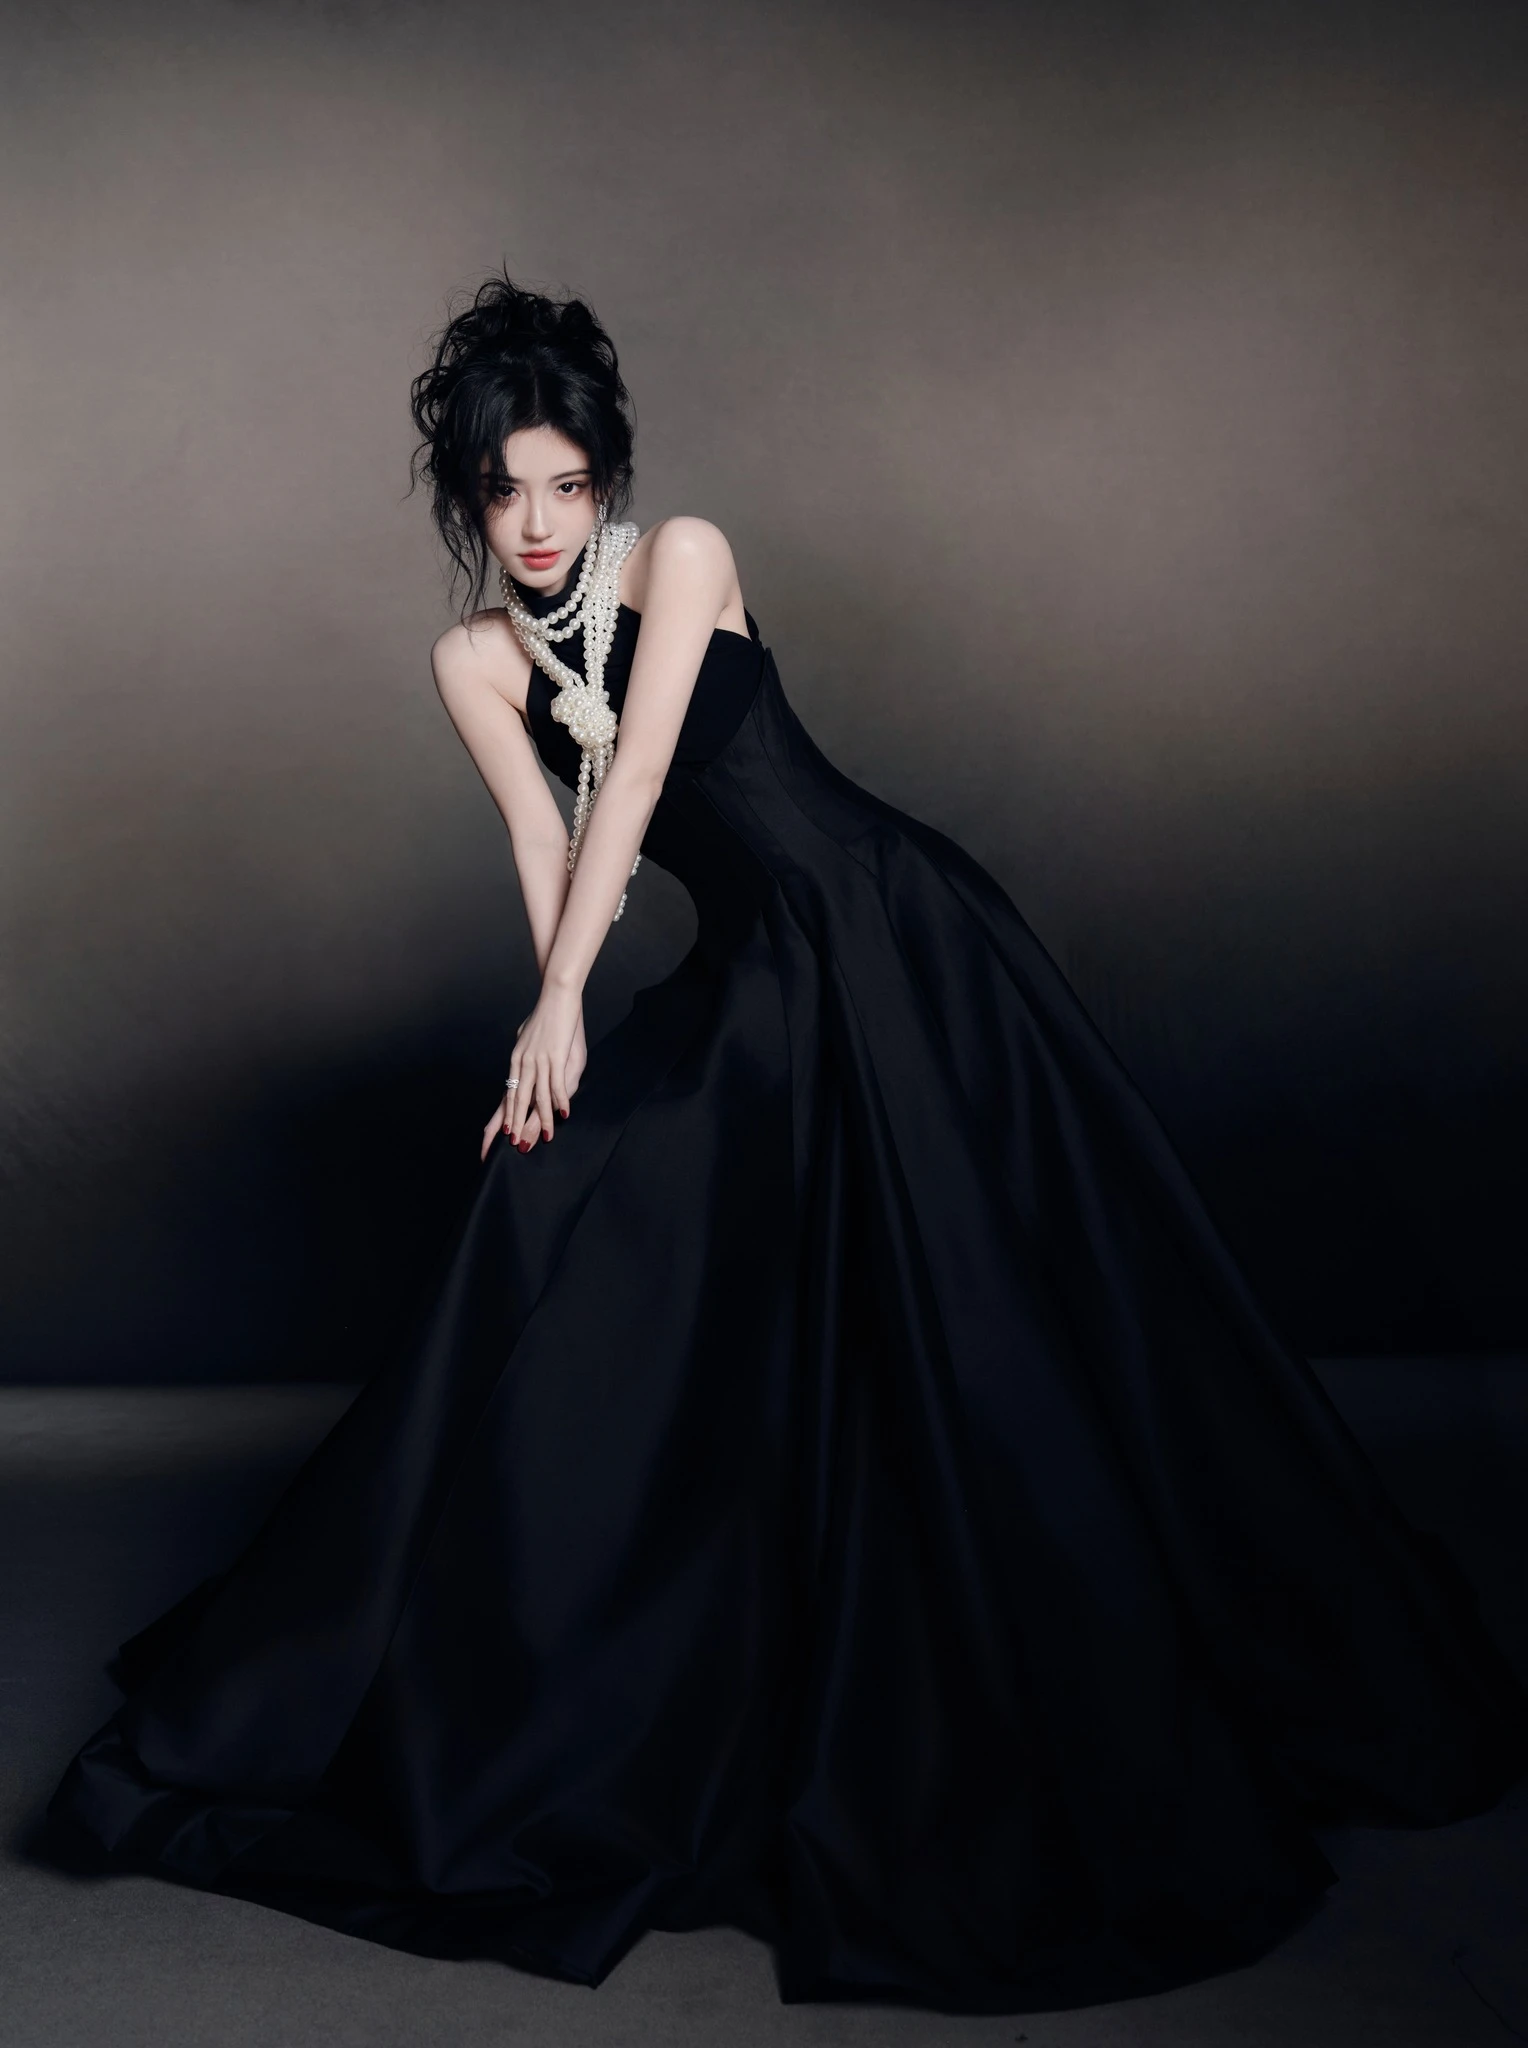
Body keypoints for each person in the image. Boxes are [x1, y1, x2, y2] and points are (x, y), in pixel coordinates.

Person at [46, 274, 1528, 2014]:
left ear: (608, 480)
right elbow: (551, 844)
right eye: (504, 492)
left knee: (981, 1306)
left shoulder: (684, 559)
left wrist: (567, 999)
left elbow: (640, 770)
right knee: (560, 1200)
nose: (538, 523)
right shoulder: (471, 664)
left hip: (893, 938)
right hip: (752, 976)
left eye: (566, 485)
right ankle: (501, 1657)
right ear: (465, 498)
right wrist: (558, 1027)